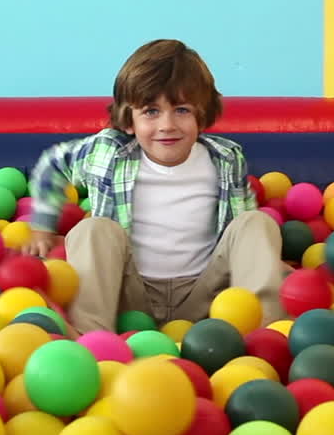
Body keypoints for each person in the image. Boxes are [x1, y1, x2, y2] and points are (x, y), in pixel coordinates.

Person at [23, 39, 287, 336]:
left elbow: (241, 228)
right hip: (127, 296)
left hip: (207, 298)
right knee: (93, 229)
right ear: (129, 119)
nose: (167, 125)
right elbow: (53, 163)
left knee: (256, 222)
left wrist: (265, 264)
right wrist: (42, 226)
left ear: (202, 114)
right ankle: (91, 339)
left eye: (182, 110)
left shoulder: (226, 158)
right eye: (151, 111)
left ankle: (266, 335)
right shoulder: (107, 152)